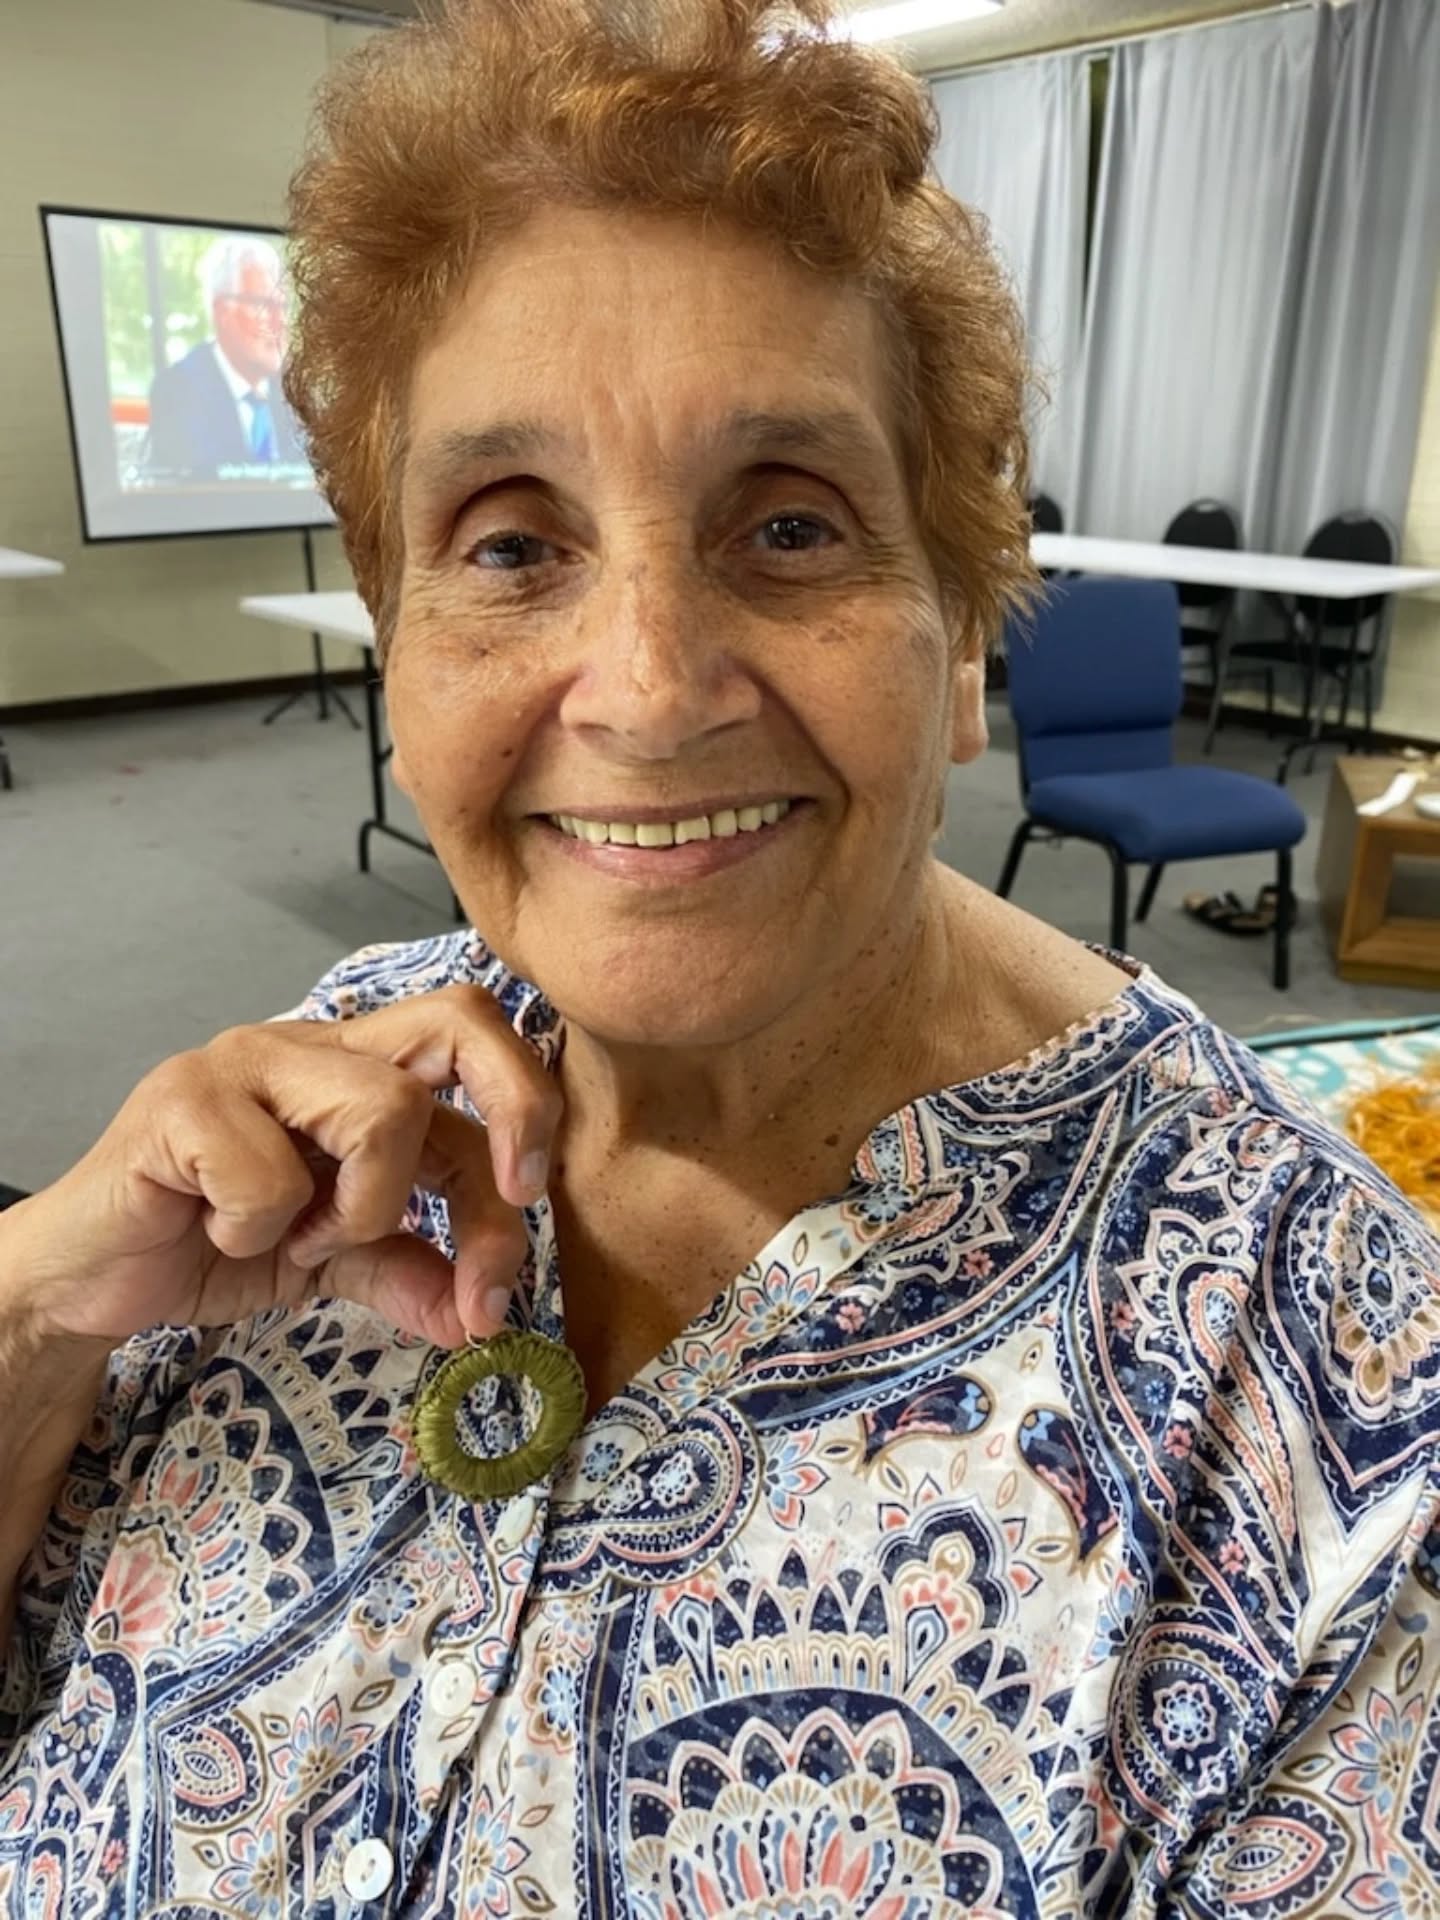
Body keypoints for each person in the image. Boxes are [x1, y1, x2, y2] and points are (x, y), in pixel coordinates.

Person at [3, 1, 1438, 1912]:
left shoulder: (1327, 1404)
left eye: (788, 523)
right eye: (511, 549)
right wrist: (36, 1314)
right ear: (396, 634)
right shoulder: (321, 1086)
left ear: (963, 633)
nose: (655, 695)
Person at [143, 234, 306, 480]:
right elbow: (190, 496)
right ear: (223, 312)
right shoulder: (177, 390)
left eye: (282, 306)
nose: (279, 320)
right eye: (263, 305)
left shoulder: (294, 390)